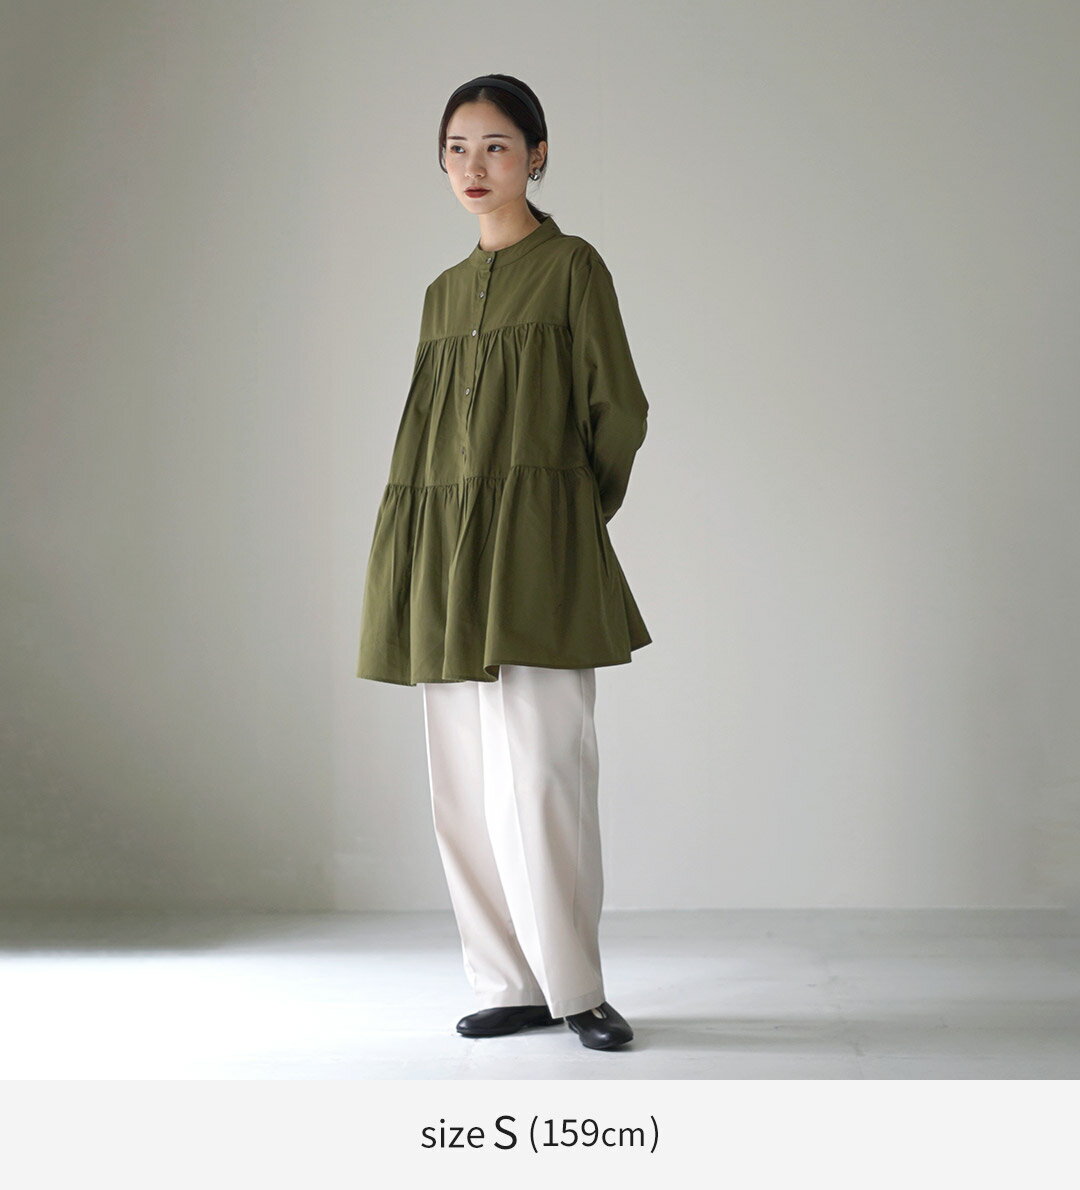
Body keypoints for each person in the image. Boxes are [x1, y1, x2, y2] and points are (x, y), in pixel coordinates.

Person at [356, 74, 652, 1051]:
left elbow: (619, 409)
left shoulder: (572, 267)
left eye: (495, 145)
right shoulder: (441, 295)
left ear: (537, 154)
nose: (473, 166)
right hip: (444, 552)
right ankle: (508, 981)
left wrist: (565, 513)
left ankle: (577, 988)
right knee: (461, 780)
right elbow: (426, 435)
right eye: (456, 147)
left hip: (534, 551)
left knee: (545, 775)